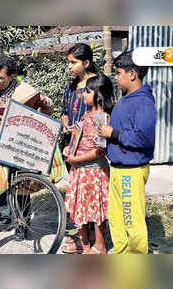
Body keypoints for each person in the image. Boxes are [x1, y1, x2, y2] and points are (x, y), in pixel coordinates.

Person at [0, 55, 53, 233]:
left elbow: (46, 110)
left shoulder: (26, 91)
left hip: (21, 145)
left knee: (21, 184)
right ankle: (0, 219)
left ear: (11, 76)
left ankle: (23, 223)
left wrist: (45, 106)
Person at [98, 50, 156, 254]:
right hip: (118, 168)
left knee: (131, 220)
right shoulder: (127, 98)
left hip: (131, 171)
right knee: (116, 217)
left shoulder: (143, 103)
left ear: (132, 74)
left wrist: (113, 133)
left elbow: (144, 138)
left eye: (118, 73)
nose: (116, 77)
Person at [61, 74, 115, 254]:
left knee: (97, 212)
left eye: (88, 91)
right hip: (80, 171)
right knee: (80, 208)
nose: (83, 94)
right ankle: (84, 242)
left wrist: (75, 159)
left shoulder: (101, 118)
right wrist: (70, 148)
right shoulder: (88, 113)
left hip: (93, 173)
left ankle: (99, 247)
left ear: (98, 95)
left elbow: (100, 150)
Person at [60, 43, 99, 155]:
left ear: (86, 63)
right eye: (69, 62)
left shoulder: (99, 85)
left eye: (73, 62)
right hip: (70, 145)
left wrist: (82, 128)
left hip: (90, 148)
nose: (69, 66)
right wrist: (66, 124)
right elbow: (64, 112)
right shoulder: (71, 87)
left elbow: (104, 116)